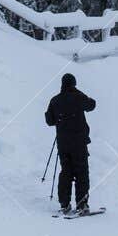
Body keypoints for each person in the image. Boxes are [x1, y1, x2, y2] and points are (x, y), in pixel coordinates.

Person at [44, 73, 97, 214]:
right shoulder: (78, 96)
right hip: (79, 142)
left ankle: (64, 204)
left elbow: (49, 121)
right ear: (74, 84)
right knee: (81, 172)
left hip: (63, 143)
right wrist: (78, 93)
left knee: (66, 172)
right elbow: (92, 105)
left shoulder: (55, 100)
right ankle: (82, 204)